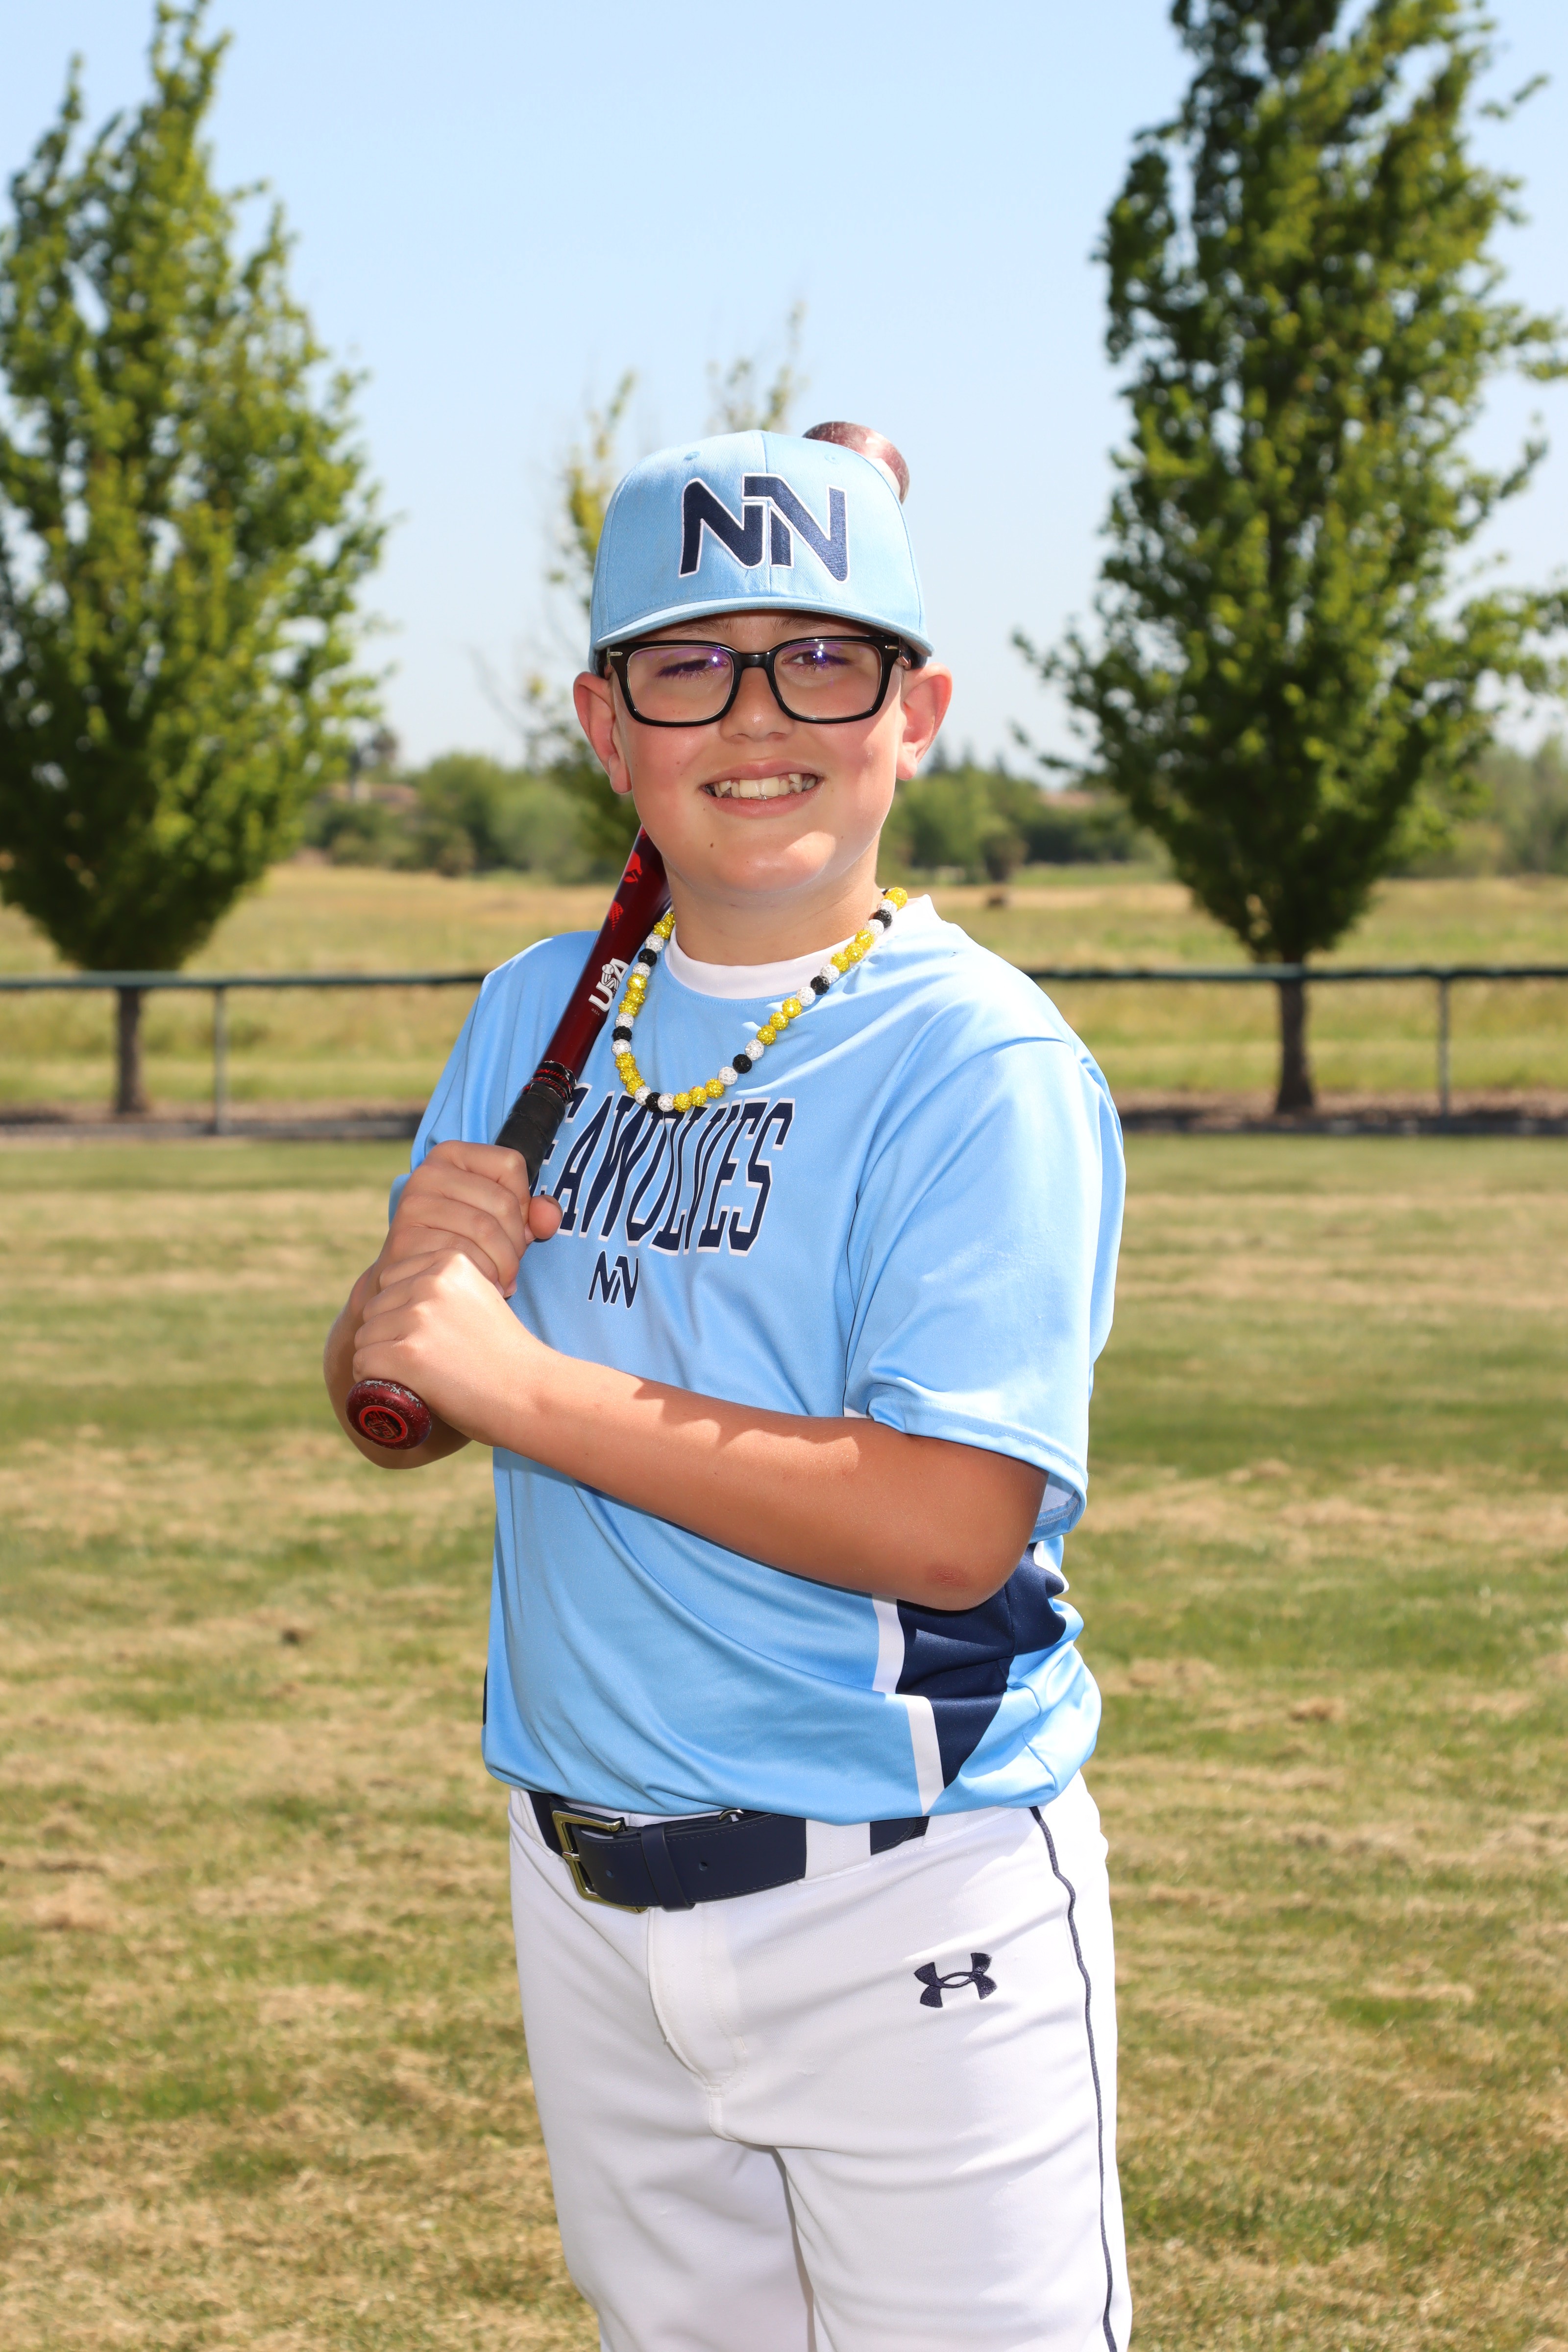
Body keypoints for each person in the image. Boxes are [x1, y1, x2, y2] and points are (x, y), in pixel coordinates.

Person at [324, 424, 1130, 2352]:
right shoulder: (536, 1010)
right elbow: (402, 1386)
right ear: (608, 730)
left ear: (913, 713)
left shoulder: (978, 1064)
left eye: (818, 662)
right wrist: (397, 1310)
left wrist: (514, 1383)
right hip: (584, 1881)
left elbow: (949, 1526)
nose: (756, 718)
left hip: (903, 1899)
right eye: (690, 667)